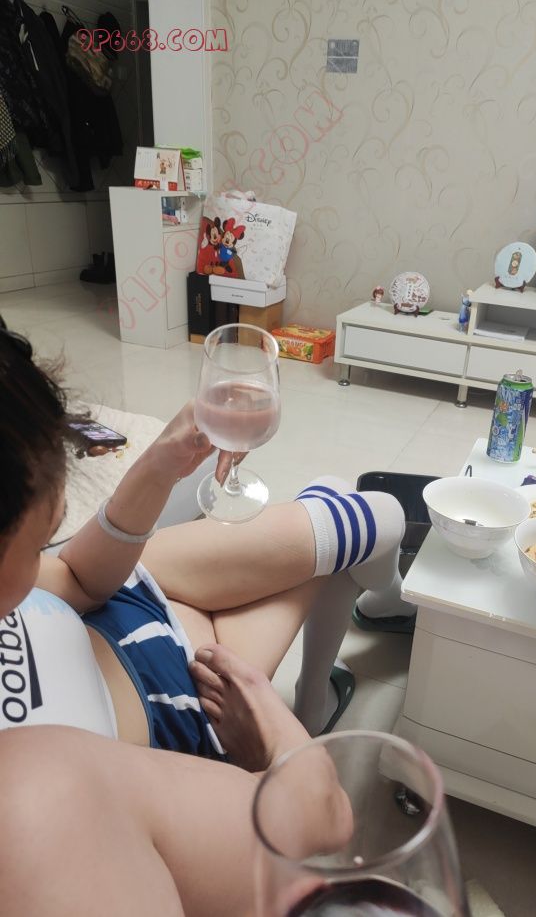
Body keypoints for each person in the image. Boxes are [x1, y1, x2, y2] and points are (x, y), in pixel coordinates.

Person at [0, 318, 405, 912]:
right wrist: (275, 728)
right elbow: (321, 812)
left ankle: (376, 617)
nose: (45, 553)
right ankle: (334, 675)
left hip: (128, 591)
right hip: (192, 699)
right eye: (41, 541)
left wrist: (160, 464)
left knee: (364, 512)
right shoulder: (35, 804)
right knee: (360, 512)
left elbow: (77, 579)